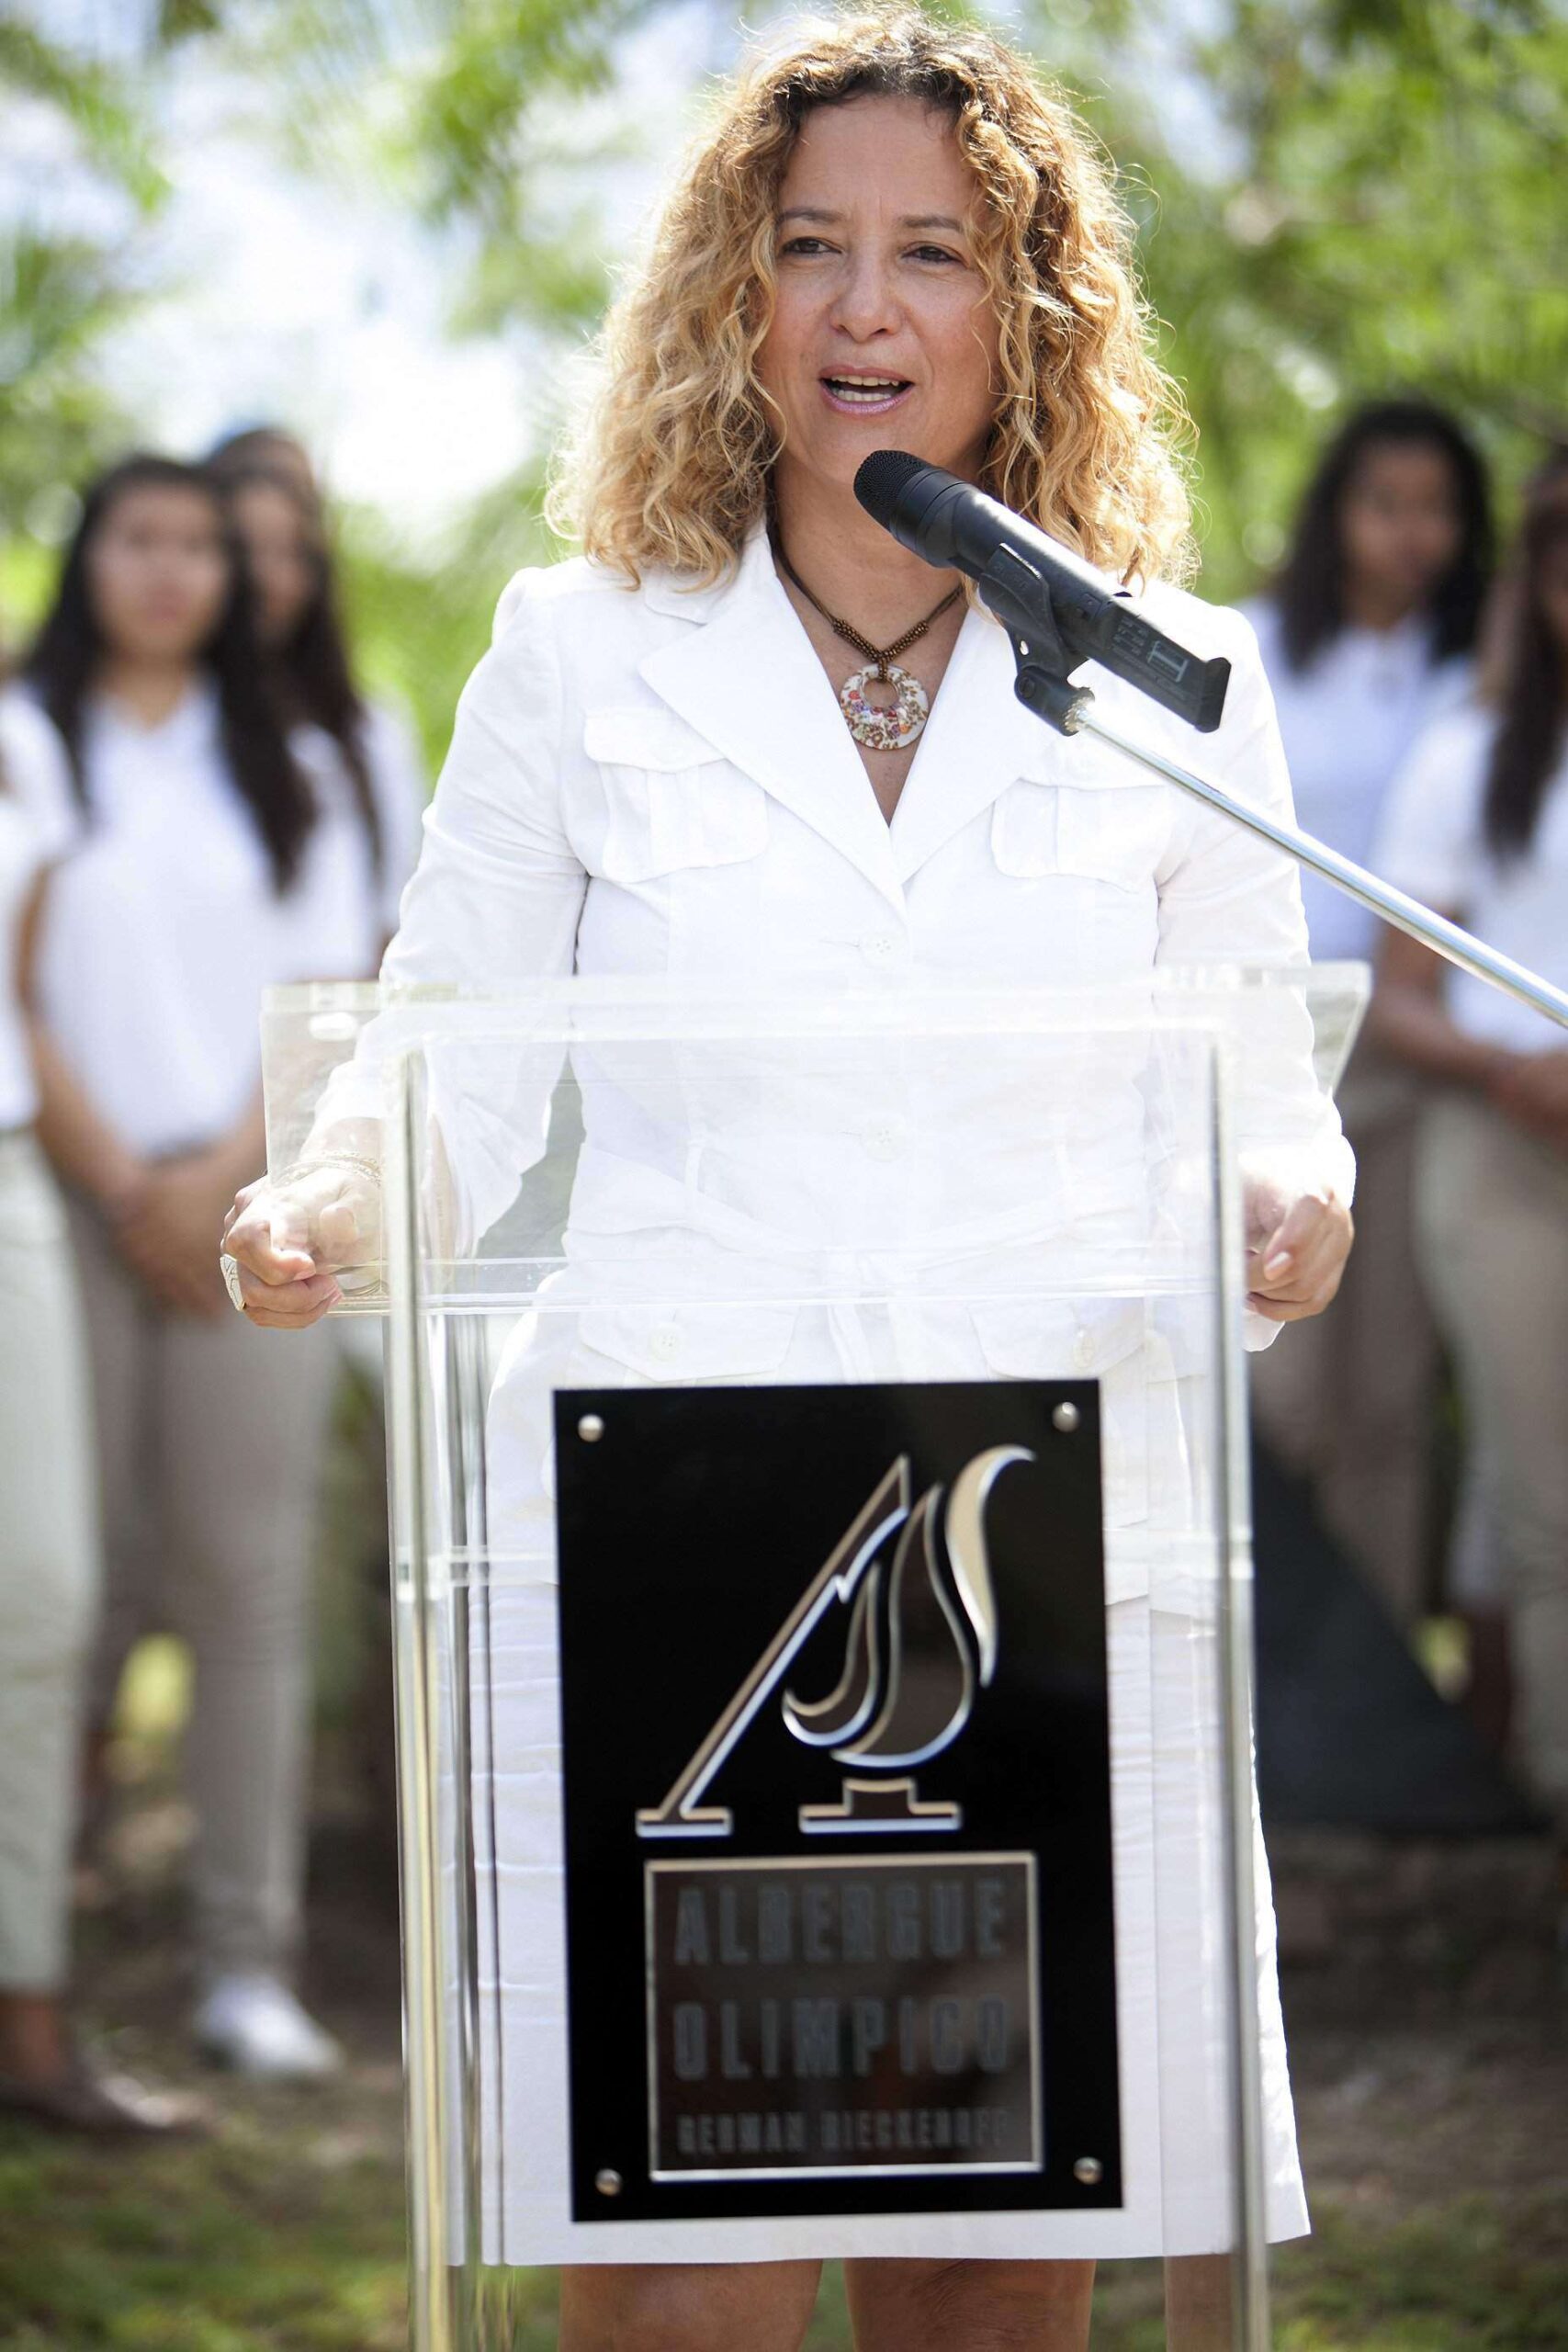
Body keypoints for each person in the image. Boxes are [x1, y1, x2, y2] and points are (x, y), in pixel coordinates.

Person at [222, 12, 1353, 2346]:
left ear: (1018, 305)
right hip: (681, 1548)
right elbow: (442, 1039)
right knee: (687, 2290)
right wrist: (326, 1200)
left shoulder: (1169, 679)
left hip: (1038, 1547)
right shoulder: (575, 653)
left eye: (927, 253)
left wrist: (1284, 1188)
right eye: (806, 246)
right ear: (726, 297)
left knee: (983, 2271)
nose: (861, 307)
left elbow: (1258, 1066)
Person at [15, 454, 389, 2078]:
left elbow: (330, 984)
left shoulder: (293, 761)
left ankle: (247, 1961)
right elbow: (13, 989)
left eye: (198, 548)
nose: (171, 574)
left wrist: (219, 1177)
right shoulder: (35, 748)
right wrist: (120, 1185)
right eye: (137, 540)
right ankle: (45, 1950)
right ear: (87, 558)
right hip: (68, 1211)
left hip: (260, 1213)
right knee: (63, 1593)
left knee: (247, 1592)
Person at [1245, 400, 1491, 1628]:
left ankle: (1376, 1723)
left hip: (1408, 1066)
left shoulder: (1477, 682)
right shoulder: (1248, 651)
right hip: (1270, 1052)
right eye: (1382, 502)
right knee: (1277, 1397)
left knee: (1385, 1405)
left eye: (1435, 508)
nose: (1409, 532)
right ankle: (1266, 1707)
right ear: (1335, 508)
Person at [0, 685, 193, 2134]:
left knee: (45, 1599)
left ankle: (28, 2021)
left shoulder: (18, 733)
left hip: (12, 1179)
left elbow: (20, 985)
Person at [1371, 483, 1568, 1870]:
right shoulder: (1469, 754)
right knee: (1543, 1505)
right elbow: (1401, 999)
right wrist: (1511, 1068)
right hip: (1500, 1152)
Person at [208, 437, 426, 949]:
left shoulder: (368, 729)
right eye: (245, 550)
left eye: (292, 552)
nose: (266, 578)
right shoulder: (164, 725)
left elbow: (388, 919)